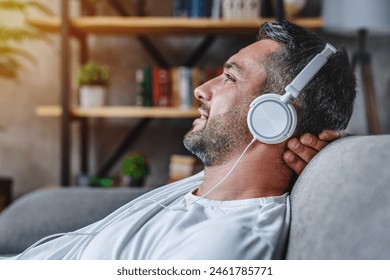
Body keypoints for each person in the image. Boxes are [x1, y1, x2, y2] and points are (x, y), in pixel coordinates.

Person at [6, 20, 355, 260]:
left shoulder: (224, 243)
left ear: (274, 116)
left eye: (230, 78)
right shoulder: (216, 186)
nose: (201, 90)